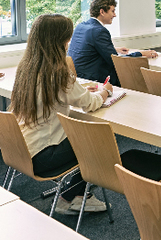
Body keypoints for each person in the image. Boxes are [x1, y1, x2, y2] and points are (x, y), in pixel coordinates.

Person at [10, 14, 113, 215]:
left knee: (91, 137)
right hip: (44, 154)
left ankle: (75, 194)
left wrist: (79, 91)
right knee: (101, 143)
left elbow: (63, 95)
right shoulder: (58, 72)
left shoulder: (26, 68)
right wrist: (106, 90)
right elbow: (90, 104)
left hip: (20, 148)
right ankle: (70, 197)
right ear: (61, 40)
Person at [68, 0, 158, 87]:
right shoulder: (99, 31)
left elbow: (88, 49)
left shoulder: (81, 26)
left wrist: (114, 49)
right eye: (113, 11)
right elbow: (116, 61)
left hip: (78, 76)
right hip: (94, 79)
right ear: (102, 12)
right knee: (133, 74)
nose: (115, 15)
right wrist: (141, 53)